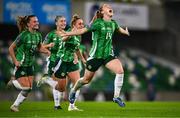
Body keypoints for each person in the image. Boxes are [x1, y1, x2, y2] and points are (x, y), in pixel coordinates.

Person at [61, 4, 130, 107]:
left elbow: (119, 29)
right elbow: (83, 30)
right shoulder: (97, 23)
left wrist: (125, 32)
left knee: (120, 71)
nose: (109, 7)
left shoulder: (113, 23)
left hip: (108, 55)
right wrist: (68, 34)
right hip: (95, 57)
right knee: (86, 80)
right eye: (106, 6)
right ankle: (74, 89)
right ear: (102, 12)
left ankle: (116, 97)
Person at [8, 15, 53, 112]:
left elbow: (39, 48)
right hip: (21, 64)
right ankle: (13, 82)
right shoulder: (23, 35)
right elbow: (11, 48)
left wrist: (47, 51)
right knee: (26, 87)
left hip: (30, 65)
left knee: (29, 89)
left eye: (37, 21)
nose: (37, 23)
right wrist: (15, 61)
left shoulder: (38, 35)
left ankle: (15, 106)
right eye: (34, 21)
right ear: (28, 24)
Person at [36, 16, 68, 110]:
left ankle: (46, 79)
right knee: (56, 83)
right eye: (61, 21)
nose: (64, 23)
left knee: (61, 87)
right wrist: (48, 47)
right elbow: (41, 47)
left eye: (65, 21)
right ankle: (57, 105)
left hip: (63, 61)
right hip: (54, 60)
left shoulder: (68, 34)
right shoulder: (51, 34)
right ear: (56, 23)